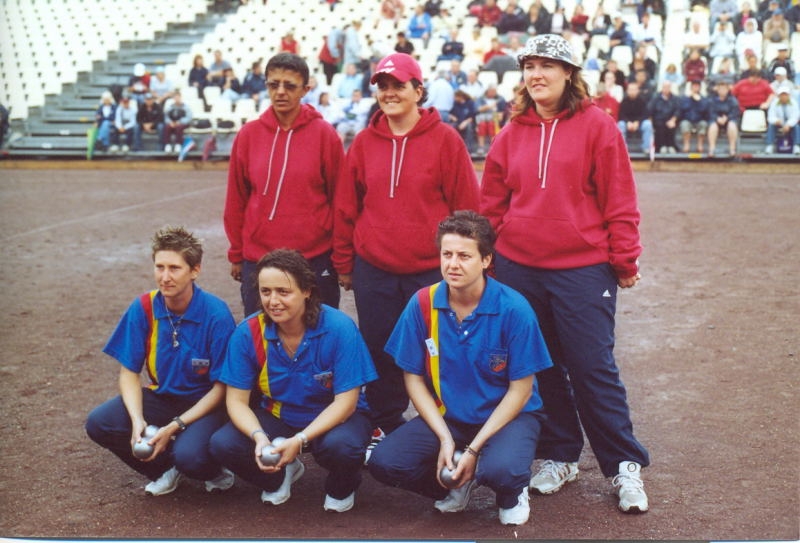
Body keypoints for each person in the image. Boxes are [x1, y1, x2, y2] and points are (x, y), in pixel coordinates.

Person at [480, 34, 651, 514]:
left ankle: (623, 465)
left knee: (592, 367)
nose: (536, 75)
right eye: (529, 66)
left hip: (582, 268)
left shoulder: (599, 127)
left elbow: (619, 199)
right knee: (542, 367)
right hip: (520, 268)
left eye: (547, 66)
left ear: (569, 74)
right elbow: (492, 203)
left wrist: (625, 259)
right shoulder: (511, 132)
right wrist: (490, 257)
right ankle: (561, 455)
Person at [333, 52, 480, 454]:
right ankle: (384, 425)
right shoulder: (364, 143)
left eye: (398, 85)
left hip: (431, 271)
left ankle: (449, 430)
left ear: (418, 90)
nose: (389, 93)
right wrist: (345, 262)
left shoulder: (446, 140)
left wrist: (468, 266)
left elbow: (467, 208)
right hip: (375, 268)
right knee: (380, 348)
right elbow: (346, 207)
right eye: (382, 86)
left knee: (439, 352)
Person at [367, 211, 553, 526]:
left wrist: (474, 450)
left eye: (464, 256)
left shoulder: (514, 309)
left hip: (509, 418)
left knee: (501, 471)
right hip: (450, 418)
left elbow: (521, 391)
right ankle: (455, 485)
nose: (453, 264)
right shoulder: (423, 303)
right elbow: (413, 379)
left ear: (486, 260)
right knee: (385, 462)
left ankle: (512, 491)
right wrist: (445, 439)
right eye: (447, 254)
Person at [208, 249, 377, 512]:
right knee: (223, 444)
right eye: (266, 292)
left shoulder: (339, 327)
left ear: (307, 291)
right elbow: (236, 401)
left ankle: (341, 486)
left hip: (335, 417)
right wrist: (259, 438)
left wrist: (300, 439)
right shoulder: (248, 332)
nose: (273, 301)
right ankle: (278, 475)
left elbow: (346, 403)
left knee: (341, 448)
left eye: (283, 292)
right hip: (279, 415)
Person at [85, 226, 236, 497]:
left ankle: (214, 469)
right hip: (164, 396)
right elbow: (129, 372)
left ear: (195, 271)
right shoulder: (144, 307)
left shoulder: (216, 314)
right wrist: (137, 420)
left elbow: (222, 388)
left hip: (207, 404)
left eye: (174, 268)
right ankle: (165, 469)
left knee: (191, 457)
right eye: (160, 267)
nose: (165, 277)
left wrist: (175, 426)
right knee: (99, 423)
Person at [224, 53, 345, 316]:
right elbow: (236, 199)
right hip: (258, 258)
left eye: (289, 85)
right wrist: (237, 253)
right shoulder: (248, 135)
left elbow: (340, 200)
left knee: (318, 333)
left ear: (305, 89)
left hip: (314, 258)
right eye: (273, 84)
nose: (280, 92)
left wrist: (340, 256)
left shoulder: (325, 136)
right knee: (261, 335)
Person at [706, 79, 740, 157]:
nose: (722, 91)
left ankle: (732, 149)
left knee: (732, 125)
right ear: (717, 90)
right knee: (712, 126)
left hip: (729, 120)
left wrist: (727, 118)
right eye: (720, 89)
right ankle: (712, 149)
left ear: (728, 90)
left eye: (724, 89)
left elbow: (735, 113)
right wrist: (717, 118)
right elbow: (710, 112)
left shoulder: (733, 100)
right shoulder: (712, 100)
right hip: (716, 120)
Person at [617, 81, 653, 154]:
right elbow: (621, 115)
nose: (632, 92)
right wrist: (627, 122)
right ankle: (623, 148)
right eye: (630, 90)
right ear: (627, 91)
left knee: (648, 124)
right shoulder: (624, 101)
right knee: (620, 124)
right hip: (627, 124)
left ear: (638, 91)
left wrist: (638, 122)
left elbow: (645, 114)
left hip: (639, 123)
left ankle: (646, 148)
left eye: (634, 90)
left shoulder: (642, 101)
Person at [764, 83, 800, 154]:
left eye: (785, 94)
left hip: (790, 124)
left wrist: (788, 125)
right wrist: (776, 121)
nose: (784, 96)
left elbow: (795, 116)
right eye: (782, 95)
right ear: (778, 96)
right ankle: (769, 145)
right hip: (778, 123)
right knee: (771, 126)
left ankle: (797, 146)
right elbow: (770, 116)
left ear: (789, 95)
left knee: (796, 127)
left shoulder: (794, 103)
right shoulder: (774, 103)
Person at [649, 80, 680, 153]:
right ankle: (662, 146)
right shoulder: (655, 98)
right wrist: (651, 122)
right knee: (660, 125)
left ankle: (671, 146)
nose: (666, 89)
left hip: (671, 120)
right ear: (662, 88)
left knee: (671, 125)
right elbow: (650, 110)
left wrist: (673, 120)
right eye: (664, 87)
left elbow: (678, 110)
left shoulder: (675, 98)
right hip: (658, 120)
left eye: (668, 87)